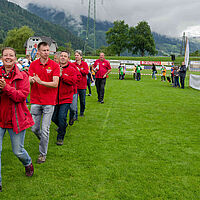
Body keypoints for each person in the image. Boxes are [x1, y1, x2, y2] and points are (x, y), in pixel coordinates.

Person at [0, 47, 35, 192]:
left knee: (18, 151)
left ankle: (28, 163)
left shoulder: (23, 76)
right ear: (1, 58)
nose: (8, 57)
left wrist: (6, 88)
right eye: (5, 55)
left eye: (11, 55)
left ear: (15, 58)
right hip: (0, 119)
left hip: (17, 119)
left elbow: (21, 97)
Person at [28, 42, 60, 164]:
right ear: (39, 52)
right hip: (36, 100)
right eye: (44, 50)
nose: (47, 52)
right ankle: (43, 140)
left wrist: (40, 82)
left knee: (45, 129)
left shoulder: (54, 65)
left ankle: (42, 154)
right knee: (34, 128)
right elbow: (29, 80)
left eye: (48, 50)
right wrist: (31, 80)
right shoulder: (33, 65)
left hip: (49, 102)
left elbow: (55, 83)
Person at [52, 51, 77, 145]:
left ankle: (60, 137)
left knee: (62, 117)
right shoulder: (54, 67)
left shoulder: (71, 69)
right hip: (54, 98)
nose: (62, 57)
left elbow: (73, 81)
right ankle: (63, 126)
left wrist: (63, 76)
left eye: (65, 56)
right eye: (61, 56)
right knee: (54, 118)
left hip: (66, 98)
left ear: (68, 59)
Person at [73, 50, 89, 117]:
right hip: (75, 85)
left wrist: (80, 70)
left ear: (81, 56)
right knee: (74, 102)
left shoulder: (84, 64)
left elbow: (86, 72)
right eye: (75, 55)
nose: (76, 56)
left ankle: (82, 112)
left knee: (82, 101)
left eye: (77, 55)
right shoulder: (73, 64)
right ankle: (75, 114)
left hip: (82, 85)